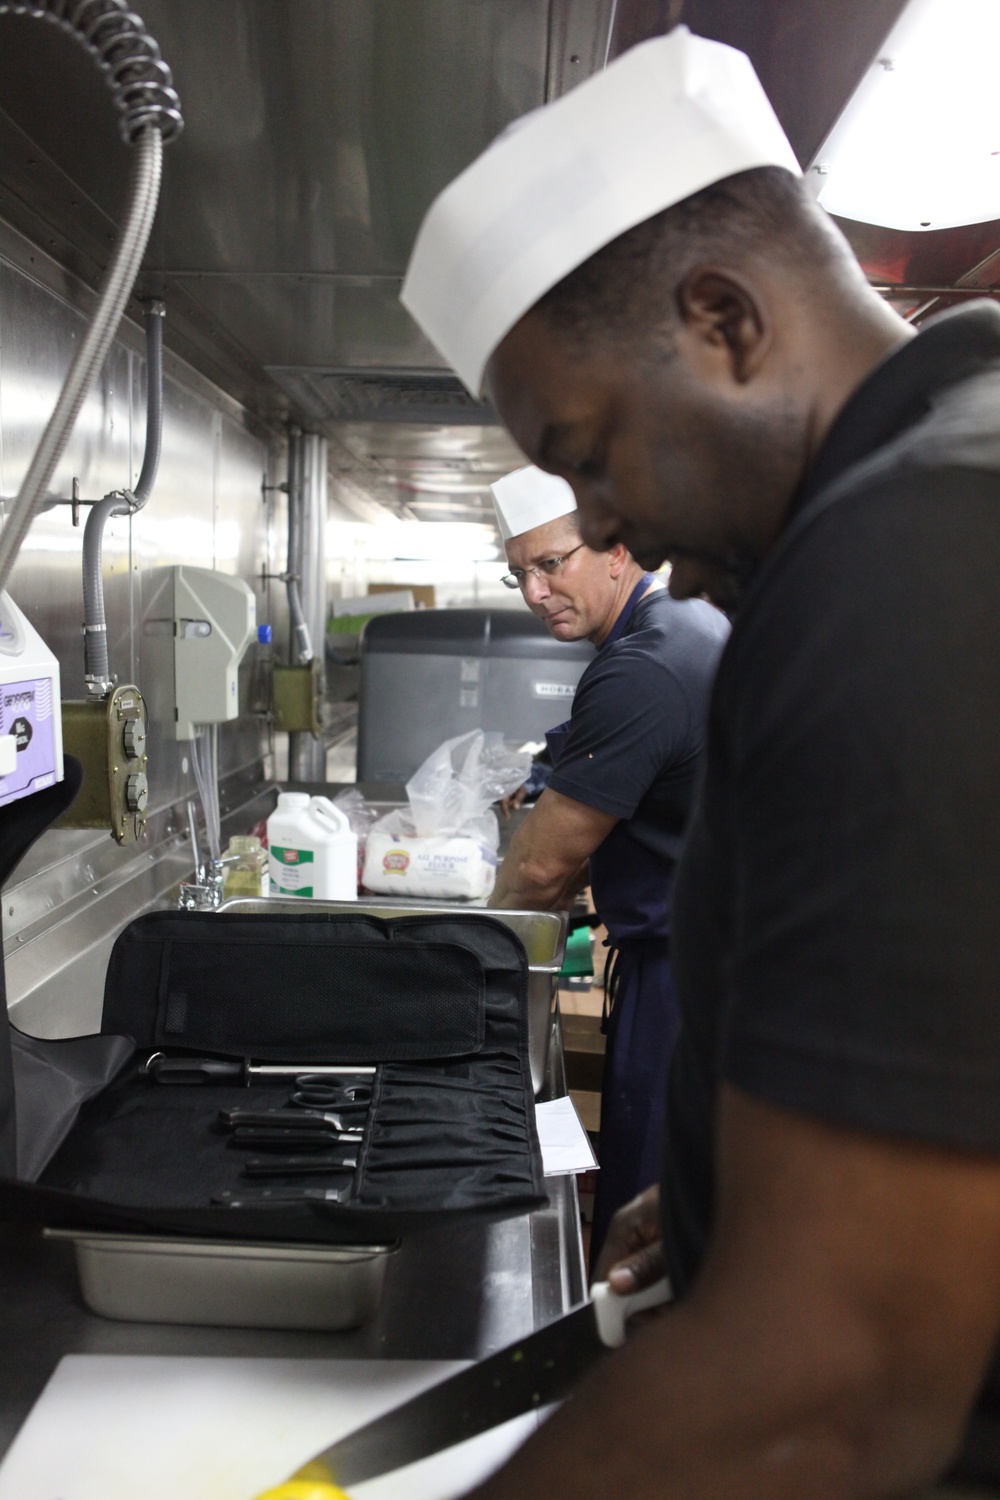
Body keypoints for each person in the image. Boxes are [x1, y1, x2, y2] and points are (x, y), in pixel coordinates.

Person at [401, 25, 1000, 1500]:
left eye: (593, 453)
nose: (604, 531)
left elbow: (836, 1383)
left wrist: (789, 1289)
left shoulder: (910, 563)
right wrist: (741, 1206)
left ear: (728, 317)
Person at [488, 463, 727, 1261]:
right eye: (518, 571)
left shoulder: (641, 668)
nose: (532, 591)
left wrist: (478, 976)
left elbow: (539, 874)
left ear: (618, 548)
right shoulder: (684, 626)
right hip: (715, 968)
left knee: (645, 1221)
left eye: (551, 563)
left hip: (684, 989)